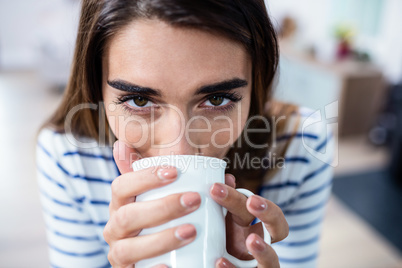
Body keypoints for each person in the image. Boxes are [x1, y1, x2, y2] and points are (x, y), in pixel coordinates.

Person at [36, 0, 334, 267]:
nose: (180, 151)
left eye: (217, 99)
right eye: (139, 100)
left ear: (256, 84)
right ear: (96, 88)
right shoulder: (68, 157)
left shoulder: (301, 146)